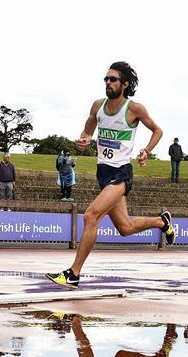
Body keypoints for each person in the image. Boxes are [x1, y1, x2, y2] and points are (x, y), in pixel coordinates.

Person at [46, 61, 175, 288]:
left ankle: (74, 274)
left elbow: (158, 130)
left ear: (124, 84)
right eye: (106, 79)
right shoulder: (97, 106)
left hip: (121, 174)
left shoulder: (134, 108)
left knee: (90, 216)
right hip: (103, 173)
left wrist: (146, 151)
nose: (108, 82)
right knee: (125, 228)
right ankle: (161, 222)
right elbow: (88, 129)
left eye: (113, 79)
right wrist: (84, 139)